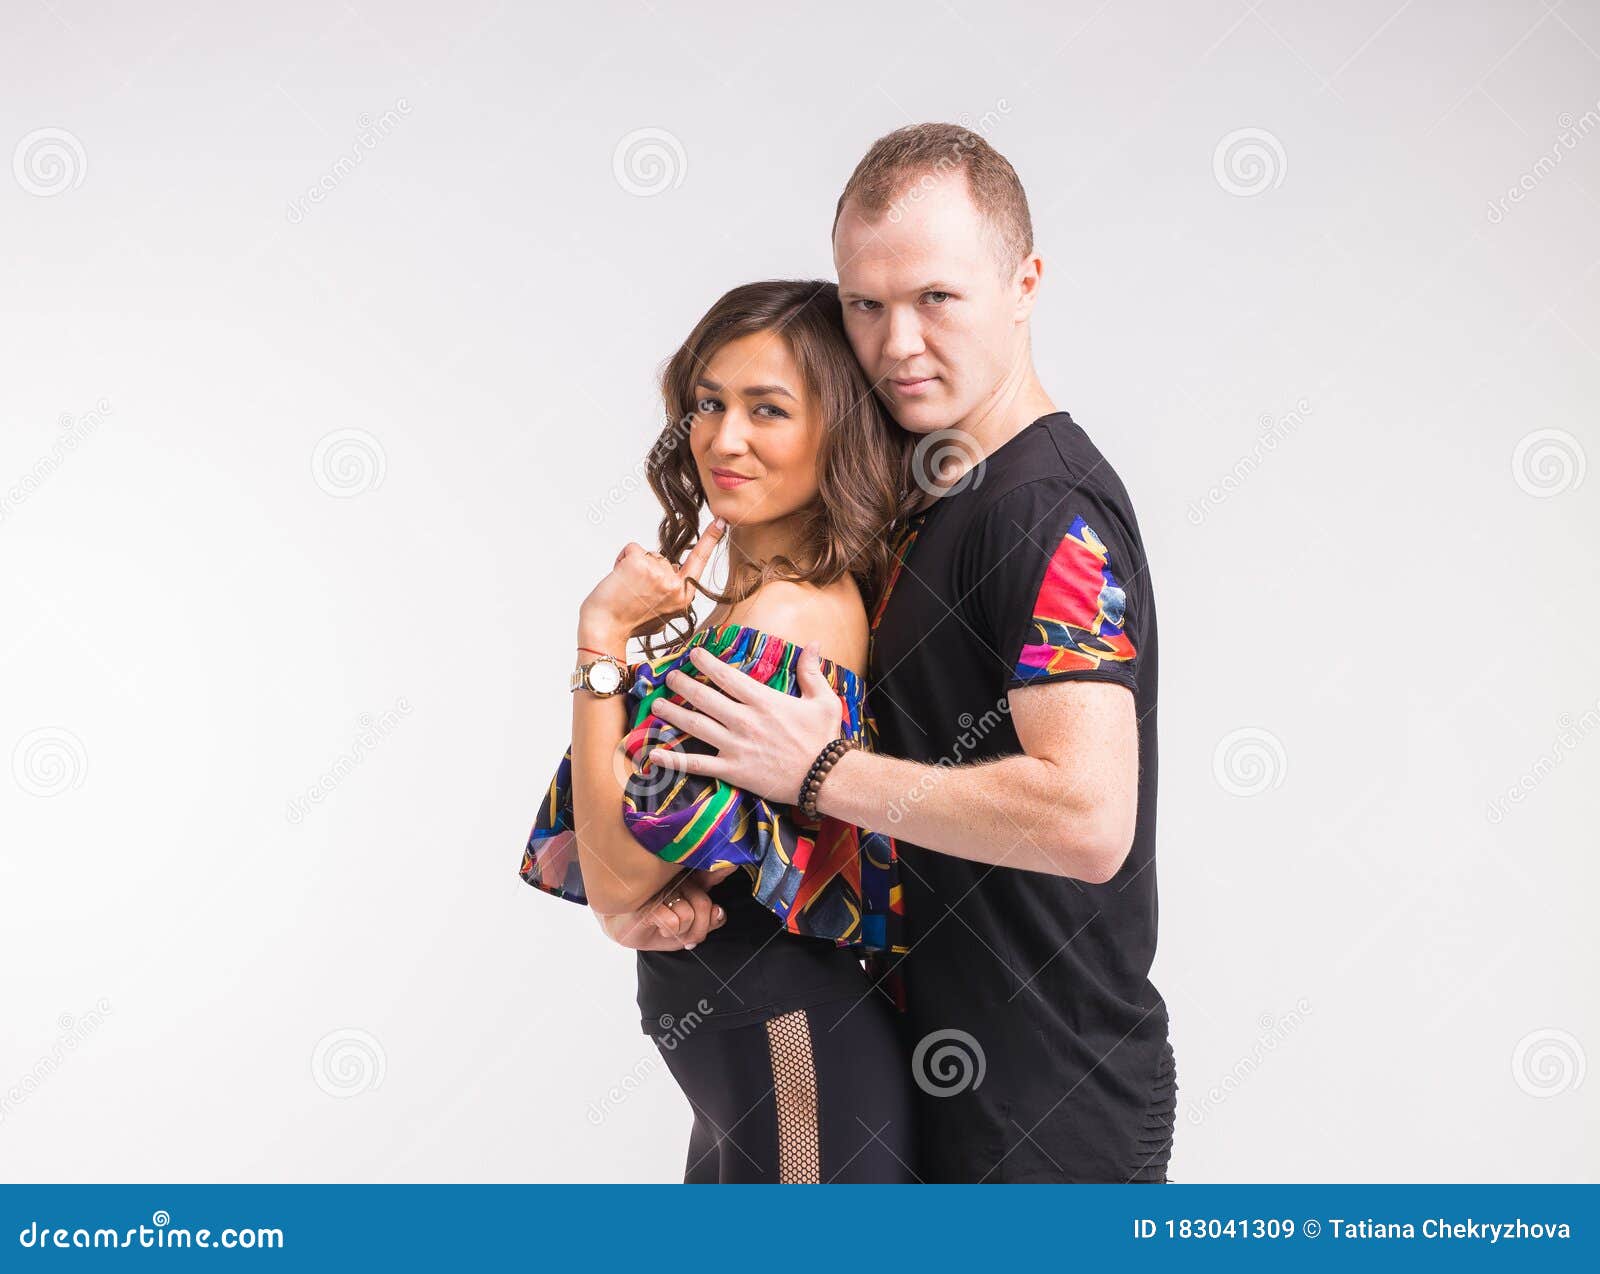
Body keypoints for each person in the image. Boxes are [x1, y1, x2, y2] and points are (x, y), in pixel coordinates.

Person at [626, 125, 1176, 1183]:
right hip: (919, 1074)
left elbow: (1086, 817)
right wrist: (661, 892)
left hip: (1045, 1107)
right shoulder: (934, 488)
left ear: (1025, 283)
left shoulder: (1044, 512)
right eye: (865, 305)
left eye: (936, 298)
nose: (897, 343)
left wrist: (823, 771)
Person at [517, 279, 921, 1183]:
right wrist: (632, 897)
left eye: (767, 410)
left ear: (838, 430)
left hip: (794, 1065)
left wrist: (600, 642)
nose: (722, 439)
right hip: (748, 1079)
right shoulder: (740, 608)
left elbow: (619, 869)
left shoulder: (789, 617)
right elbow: (620, 852)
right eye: (709, 403)